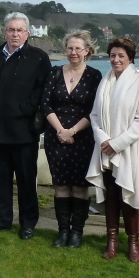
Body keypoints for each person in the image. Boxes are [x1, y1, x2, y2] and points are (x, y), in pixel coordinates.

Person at [0, 13, 51, 239]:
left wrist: (23, 111)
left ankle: (28, 223)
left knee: (26, 180)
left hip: (24, 130)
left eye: (20, 30)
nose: (15, 34)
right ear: (4, 32)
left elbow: (42, 92)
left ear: (27, 34)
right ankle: (2, 219)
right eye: (11, 30)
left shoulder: (38, 58)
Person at [86, 37, 139, 262]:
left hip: (128, 149)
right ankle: (111, 240)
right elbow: (94, 115)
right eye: (112, 55)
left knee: (128, 194)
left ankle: (133, 242)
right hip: (105, 148)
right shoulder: (105, 82)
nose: (116, 59)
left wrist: (117, 143)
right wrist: (103, 139)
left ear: (130, 58)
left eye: (121, 55)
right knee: (112, 195)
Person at [40, 31, 102, 248]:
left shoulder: (94, 76)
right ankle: (62, 232)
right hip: (55, 136)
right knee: (61, 186)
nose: (73, 52)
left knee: (80, 187)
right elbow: (46, 104)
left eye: (78, 48)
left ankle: (77, 232)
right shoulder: (55, 72)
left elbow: (94, 109)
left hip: (83, 137)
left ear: (87, 51)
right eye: (70, 48)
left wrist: (72, 131)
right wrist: (60, 130)